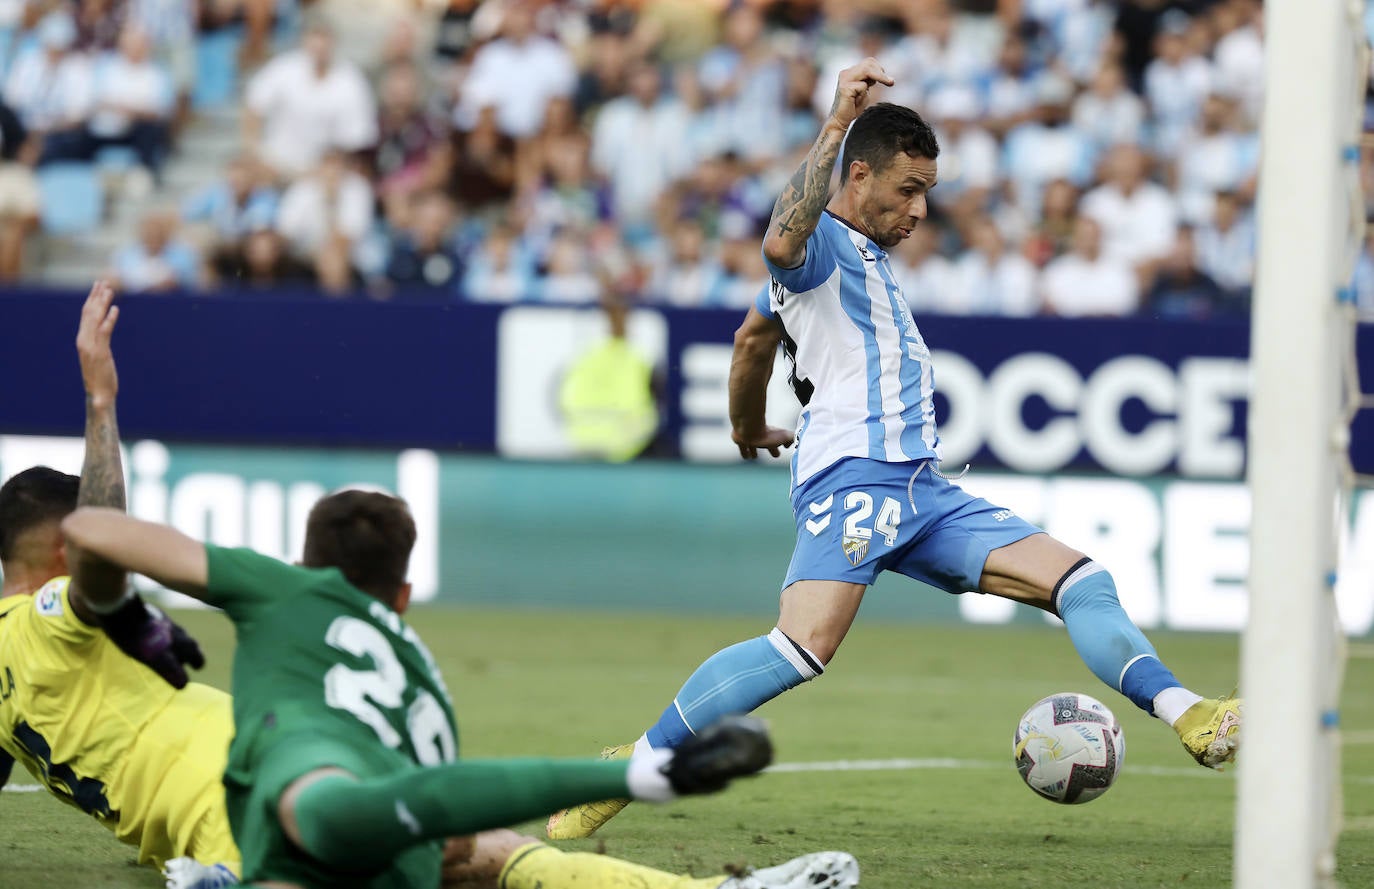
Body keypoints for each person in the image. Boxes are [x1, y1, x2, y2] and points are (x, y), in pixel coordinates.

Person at [547, 58, 1243, 841]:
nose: (919, 210)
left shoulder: (861, 263)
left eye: (928, 194)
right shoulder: (819, 249)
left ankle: (1192, 718)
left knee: (1080, 582)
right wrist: (837, 121)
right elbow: (780, 237)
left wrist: (746, 426)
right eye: (907, 190)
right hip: (858, 478)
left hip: (921, 488)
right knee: (802, 646)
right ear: (861, 173)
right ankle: (628, 767)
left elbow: (750, 341)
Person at [58, 492, 853, 889]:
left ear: (306, 569)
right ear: (403, 595)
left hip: (312, 805)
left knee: (318, 812)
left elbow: (92, 528)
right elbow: (448, 805)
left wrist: (122, 610)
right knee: (480, 845)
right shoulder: (424, 683)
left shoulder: (287, 593)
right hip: (398, 846)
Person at [0, 281, 239, 884]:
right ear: (68, 545)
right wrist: (100, 402)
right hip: (236, 779)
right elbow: (104, 548)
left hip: (191, 820)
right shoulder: (51, 617)